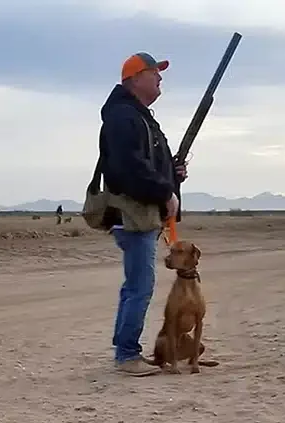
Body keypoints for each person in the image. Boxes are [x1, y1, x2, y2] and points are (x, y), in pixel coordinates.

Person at [98, 52, 188, 376]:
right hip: (132, 213)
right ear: (135, 78)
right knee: (140, 285)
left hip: (139, 212)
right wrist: (165, 192)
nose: (160, 78)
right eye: (154, 73)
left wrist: (172, 174)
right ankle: (127, 354)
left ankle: (125, 349)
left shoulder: (138, 116)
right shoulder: (125, 116)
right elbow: (130, 168)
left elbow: (146, 164)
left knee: (135, 284)